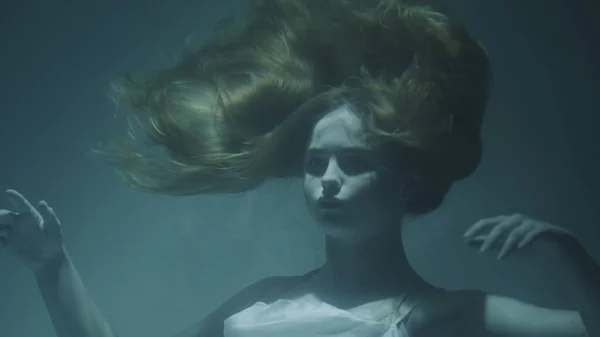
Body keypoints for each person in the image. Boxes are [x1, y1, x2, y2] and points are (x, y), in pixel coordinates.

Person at [1, 0, 599, 336]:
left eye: (354, 161)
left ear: (407, 181)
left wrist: (569, 252)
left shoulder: (446, 317)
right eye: (315, 162)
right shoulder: (261, 306)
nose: (327, 179)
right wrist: (51, 264)